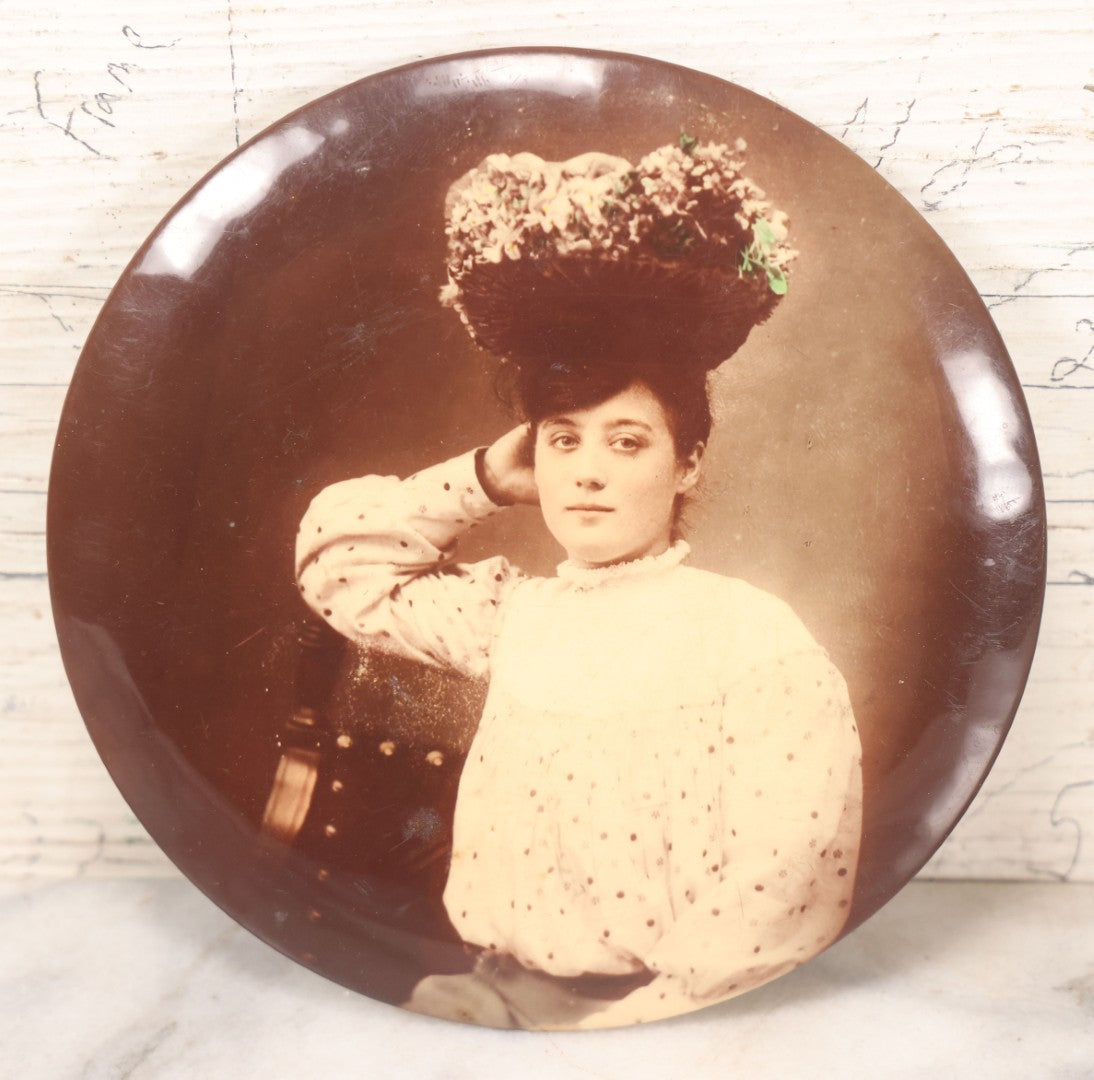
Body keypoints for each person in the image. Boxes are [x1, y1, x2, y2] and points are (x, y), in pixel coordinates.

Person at [295, 351, 863, 1029]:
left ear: (688, 464)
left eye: (626, 443)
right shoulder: (512, 616)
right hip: (486, 1001)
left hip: (674, 1017)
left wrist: (623, 1035)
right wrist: (483, 480)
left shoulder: (753, 639)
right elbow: (338, 567)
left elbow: (780, 885)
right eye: (563, 440)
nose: (588, 471)